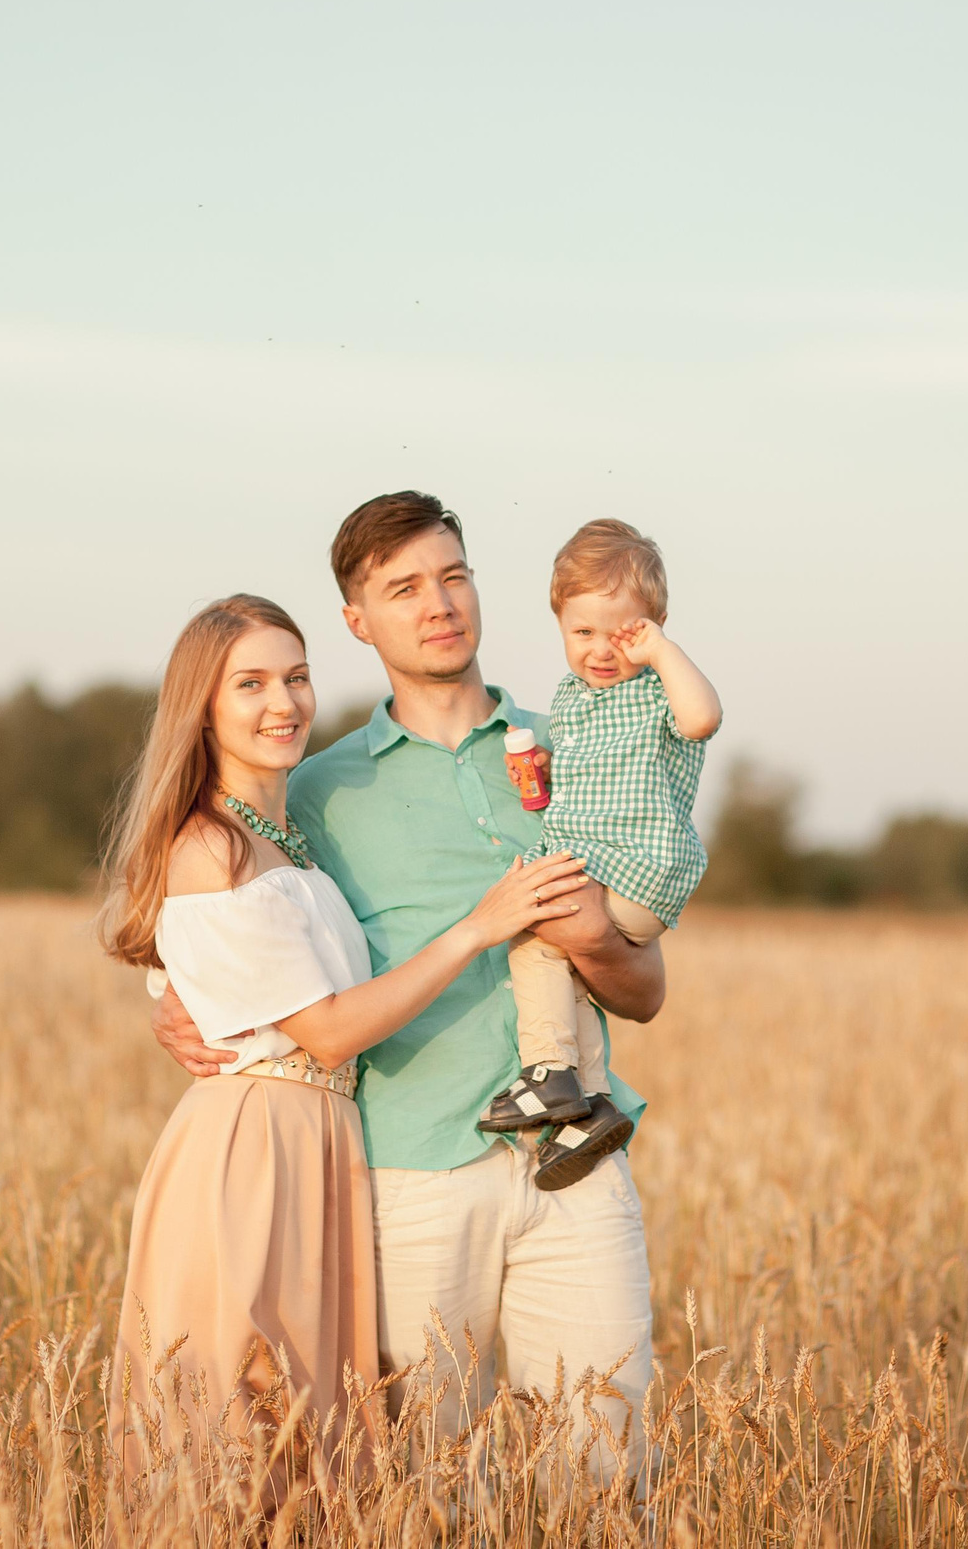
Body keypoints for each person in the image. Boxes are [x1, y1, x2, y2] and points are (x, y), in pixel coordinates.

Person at [150, 495, 670, 1480]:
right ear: (357, 620)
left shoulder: (582, 749)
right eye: (403, 589)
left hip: (581, 1156)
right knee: (427, 1483)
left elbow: (645, 989)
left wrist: (591, 936)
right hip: (413, 1174)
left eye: (452, 576)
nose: (439, 604)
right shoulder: (317, 789)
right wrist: (169, 1001)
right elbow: (228, 905)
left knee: (607, 1467)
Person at [100, 592, 588, 1491]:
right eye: (250, 684)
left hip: (323, 1144)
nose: (283, 702)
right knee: (237, 1421)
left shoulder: (287, 840)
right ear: (201, 708)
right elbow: (325, 1031)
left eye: (296, 676)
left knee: (309, 1442)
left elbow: (214, 965)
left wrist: (170, 994)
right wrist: (477, 928)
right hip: (252, 1148)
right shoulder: (210, 844)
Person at [482, 518, 721, 1191]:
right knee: (569, 974)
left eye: (622, 633)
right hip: (607, 865)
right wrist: (550, 769)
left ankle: (550, 1072)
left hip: (636, 868)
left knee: (532, 930)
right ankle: (588, 1107)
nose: (600, 650)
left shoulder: (657, 689)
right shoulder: (573, 699)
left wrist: (664, 654)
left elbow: (703, 718)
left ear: (653, 626)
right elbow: (593, 778)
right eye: (581, 632)